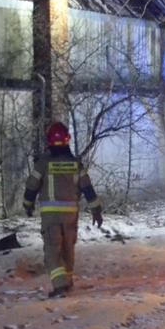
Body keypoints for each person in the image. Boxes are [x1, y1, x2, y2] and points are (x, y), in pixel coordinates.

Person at [23, 121, 103, 297]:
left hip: (51, 216)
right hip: (70, 216)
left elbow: (32, 186)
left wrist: (27, 205)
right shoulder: (75, 164)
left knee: (52, 250)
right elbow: (88, 188)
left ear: (49, 141)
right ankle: (67, 283)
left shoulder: (43, 163)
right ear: (67, 140)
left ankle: (60, 286)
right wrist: (96, 210)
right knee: (68, 249)